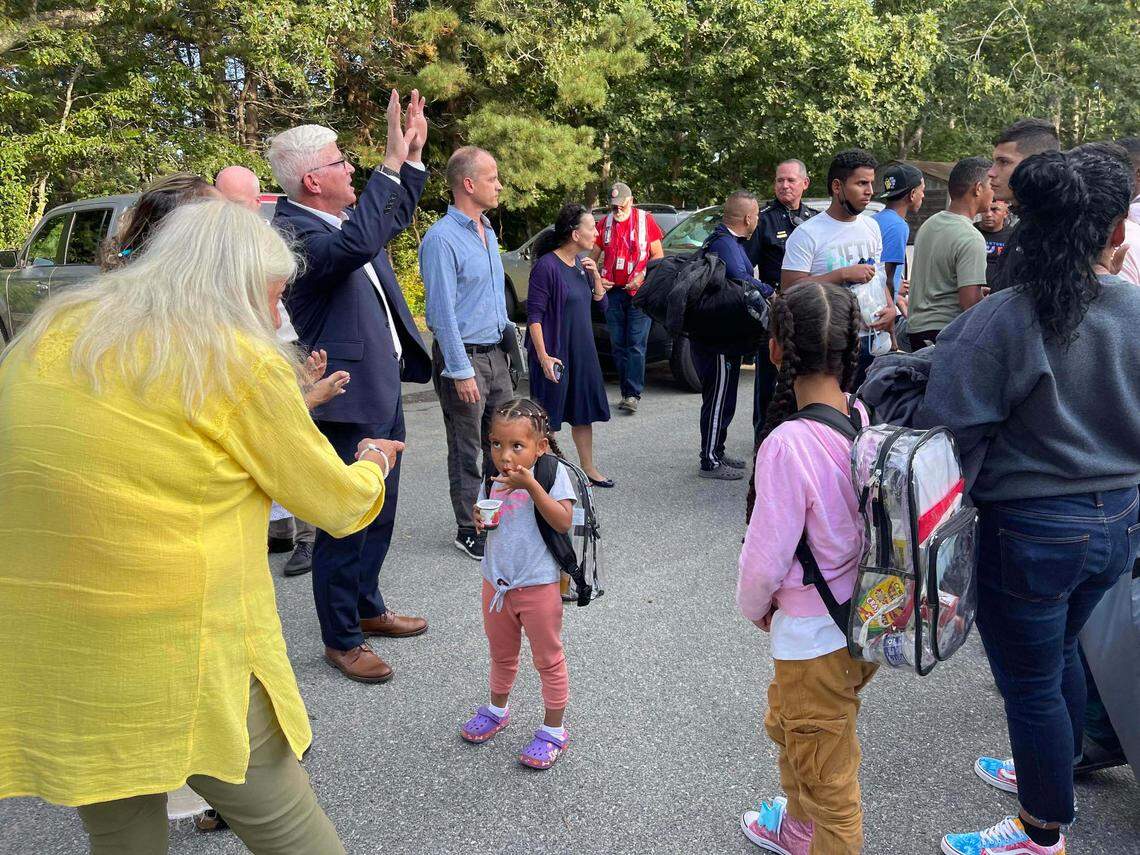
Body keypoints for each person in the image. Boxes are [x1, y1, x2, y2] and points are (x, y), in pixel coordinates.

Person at [0, 199, 403, 854]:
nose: (278, 317)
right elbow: (334, 504)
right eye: (274, 296)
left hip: (64, 654)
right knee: (290, 828)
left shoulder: (53, 331)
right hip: (178, 648)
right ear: (235, 287)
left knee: (122, 834)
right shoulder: (234, 358)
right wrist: (373, 464)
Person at [917, 145, 1140, 855]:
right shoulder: (1134, 309)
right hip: (1118, 523)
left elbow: (946, 434)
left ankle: (1042, 831)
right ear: (1116, 232)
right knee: (1061, 652)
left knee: (1033, 683)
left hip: (1033, 534)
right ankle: (1051, 770)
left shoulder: (1002, 319)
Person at [269, 90, 431, 684]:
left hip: (380, 388)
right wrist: (389, 162)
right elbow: (364, 241)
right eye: (341, 160)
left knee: (381, 510)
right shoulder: (293, 233)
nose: (351, 166)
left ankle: (367, 608)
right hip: (344, 398)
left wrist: (410, 157)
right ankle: (341, 639)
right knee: (346, 518)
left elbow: (389, 220)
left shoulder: (340, 220)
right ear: (313, 180)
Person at [737, 281, 877, 854]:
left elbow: (765, 558)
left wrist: (754, 608)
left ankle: (814, 830)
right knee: (797, 731)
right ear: (850, 352)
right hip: (858, 622)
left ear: (776, 350)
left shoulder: (787, 444)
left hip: (810, 638)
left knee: (831, 784)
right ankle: (797, 831)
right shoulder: (861, 417)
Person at [460, 398, 575, 770]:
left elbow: (562, 521)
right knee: (501, 653)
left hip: (539, 585)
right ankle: (497, 708)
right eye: (496, 444)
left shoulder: (551, 473)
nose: (504, 455)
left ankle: (554, 729)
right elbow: (483, 511)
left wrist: (530, 486)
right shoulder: (492, 477)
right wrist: (479, 516)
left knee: (548, 658)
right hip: (496, 585)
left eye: (516, 446)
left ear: (540, 447)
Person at [216, 163, 320, 577]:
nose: (229, 211)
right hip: (235, 348)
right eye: (222, 202)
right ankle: (278, 529)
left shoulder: (270, 237)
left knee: (292, 432)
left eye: (237, 203)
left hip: (276, 342)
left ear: (257, 202)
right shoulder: (214, 240)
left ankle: (309, 536)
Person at [419, 146, 514, 560]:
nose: (499, 185)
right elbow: (440, 313)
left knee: (504, 441)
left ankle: (499, 513)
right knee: (467, 447)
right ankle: (467, 526)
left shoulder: (487, 230)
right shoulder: (441, 239)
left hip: (496, 355)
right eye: (492, 178)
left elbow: (489, 300)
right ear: (469, 184)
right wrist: (460, 371)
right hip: (465, 360)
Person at [782, 148, 895, 386]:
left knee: (865, 416)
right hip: (829, 346)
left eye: (871, 183)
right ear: (837, 186)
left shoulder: (871, 227)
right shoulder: (807, 234)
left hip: (870, 341)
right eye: (861, 183)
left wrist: (891, 308)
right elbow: (790, 289)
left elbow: (879, 276)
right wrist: (841, 274)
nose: (870, 192)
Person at [525, 203, 612, 486]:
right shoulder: (546, 267)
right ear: (575, 234)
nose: (596, 233)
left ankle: (588, 468)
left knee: (582, 413)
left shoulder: (582, 266)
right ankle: (543, 476)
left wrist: (596, 277)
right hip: (555, 353)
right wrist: (543, 357)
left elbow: (602, 308)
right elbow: (534, 317)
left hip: (582, 352)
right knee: (545, 418)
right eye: (591, 228)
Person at [697, 190, 772, 481]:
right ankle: (710, 461)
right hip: (717, 338)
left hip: (725, 334)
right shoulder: (725, 244)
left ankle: (718, 449)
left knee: (725, 396)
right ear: (748, 218)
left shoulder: (730, 242)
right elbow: (741, 280)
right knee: (717, 398)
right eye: (755, 216)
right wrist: (768, 290)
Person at [745, 158, 817, 439]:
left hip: (809, 313)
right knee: (769, 390)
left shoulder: (814, 220)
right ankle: (763, 449)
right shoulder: (764, 220)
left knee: (805, 383)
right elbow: (744, 270)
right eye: (779, 180)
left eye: (790, 180)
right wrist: (765, 298)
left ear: (804, 184)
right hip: (775, 316)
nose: (784, 185)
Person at [591, 182, 664, 414]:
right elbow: (593, 256)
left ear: (631, 201)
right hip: (613, 293)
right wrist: (597, 279)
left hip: (639, 293)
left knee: (635, 343)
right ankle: (625, 391)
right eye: (613, 207)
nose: (617, 211)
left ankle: (632, 394)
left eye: (621, 206)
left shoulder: (645, 220)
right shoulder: (604, 224)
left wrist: (643, 275)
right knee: (618, 344)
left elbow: (658, 256)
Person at [906, 156, 993, 350]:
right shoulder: (971, 237)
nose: (994, 192)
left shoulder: (930, 224)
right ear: (978, 188)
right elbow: (969, 304)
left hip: (916, 329)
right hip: (945, 333)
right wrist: (985, 300)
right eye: (991, 186)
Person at [873, 162, 925, 299]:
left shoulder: (873, 219)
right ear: (913, 194)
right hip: (881, 306)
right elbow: (887, 277)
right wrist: (890, 311)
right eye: (922, 190)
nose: (923, 196)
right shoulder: (898, 226)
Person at [987, 118, 1060, 205]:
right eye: (994, 162)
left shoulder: (1067, 216)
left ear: (1035, 165)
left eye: (1004, 162)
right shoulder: (1029, 215)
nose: (990, 173)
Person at [976, 200, 1015, 287]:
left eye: (994, 210)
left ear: (1006, 213)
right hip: (972, 289)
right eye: (984, 210)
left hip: (1000, 291)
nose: (988, 214)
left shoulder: (1013, 235)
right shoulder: (970, 231)